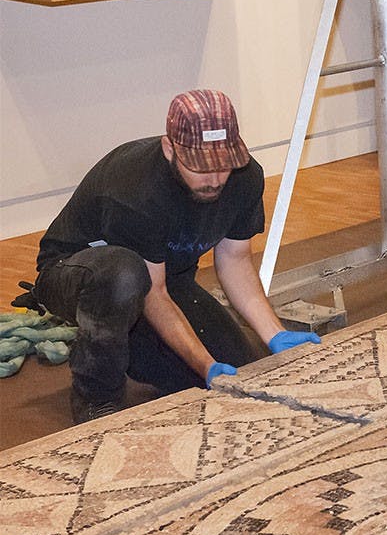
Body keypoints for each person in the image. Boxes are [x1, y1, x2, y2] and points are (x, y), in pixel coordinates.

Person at [12, 89, 321, 424]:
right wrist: (204, 365)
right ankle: (96, 398)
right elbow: (153, 293)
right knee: (125, 278)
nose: (215, 180)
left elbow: (235, 261)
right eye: (201, 167)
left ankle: (125, 345)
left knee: (237, 368)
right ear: (169, 148)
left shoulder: (244, 178)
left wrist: (274, 334)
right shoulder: (136, 192)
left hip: (161, 276)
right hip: (80, 272)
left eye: (223, 166)